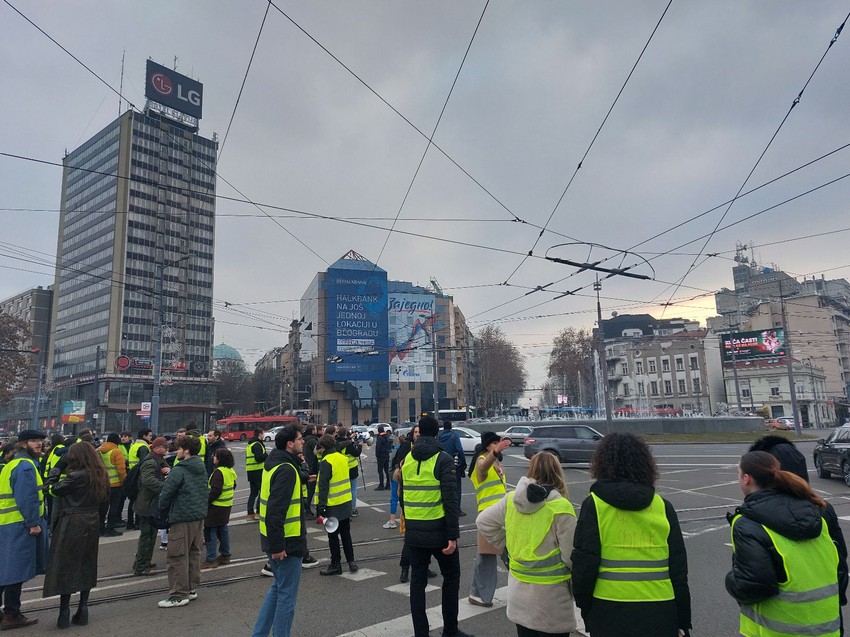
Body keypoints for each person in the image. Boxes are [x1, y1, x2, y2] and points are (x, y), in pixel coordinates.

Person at [571, 432, 691, 637]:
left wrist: (586, 607)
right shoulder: (663, 507)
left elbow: (584, 566)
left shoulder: (594, 505)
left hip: (608, 610)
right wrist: (683, 620)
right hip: (660, 610)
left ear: (602, 464)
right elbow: (678, 570)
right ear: (645, 464)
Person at [726, 450, 841, 636]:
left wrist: (730, 580)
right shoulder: (815, 511)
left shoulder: (747, 523)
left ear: (746, 479)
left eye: (738, 473)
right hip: (827, 629)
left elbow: (754, 586)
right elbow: (838, 563)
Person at [477, 452, 577, 637]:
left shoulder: (512, 500)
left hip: (519, 598)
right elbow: (571, 557)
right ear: (557, 472)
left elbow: (483, 521)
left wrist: (506, 546)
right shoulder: (561, 507)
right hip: (551, 602)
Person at [749, 434, 849, 617]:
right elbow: (840, 558)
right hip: (828, 616)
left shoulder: (754, 515)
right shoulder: (822, 507)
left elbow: (753, 582)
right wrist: (837, 597)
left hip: (778, 620)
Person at [400, 416, 473, 637]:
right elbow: (450, 501)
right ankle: (450, 630)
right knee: (451, 577)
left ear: (419, 433)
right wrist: (452, 536)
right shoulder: (443, 459)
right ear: (437, 433)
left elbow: (403, 498)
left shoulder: (407, 460)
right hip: (439, 532)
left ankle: (421, 633)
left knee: (417, 584)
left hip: (414, 534)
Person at [42, 442, 110, 628]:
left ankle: (64, 611)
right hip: (92, 520)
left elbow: (50, 488)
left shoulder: (76, 476)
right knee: (87, 563)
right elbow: (105, 501)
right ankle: (83, 609)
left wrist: (57, 468)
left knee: (66, 565)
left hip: (72, 521)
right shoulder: (101, 474)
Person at [251, 424, 307, 637]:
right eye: (300, 439)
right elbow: (276, 510)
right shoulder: (287, 469)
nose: (303, 441)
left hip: (272, 538)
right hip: (287, 542)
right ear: (290, 444)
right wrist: (278, 546)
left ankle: (259, 634)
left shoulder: (273, 464)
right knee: (287, 597)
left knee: (278, 589)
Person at [0, 430, 48, 630]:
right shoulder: (26, 466)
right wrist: (33, 523)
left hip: (7, 525)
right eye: (33, 440)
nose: (39, 444)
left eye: (40, 441)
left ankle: (9, 613)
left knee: (6, 570)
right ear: (22, 444)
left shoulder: (12, 464)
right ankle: (11, 614)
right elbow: (27, 499)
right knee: (16, 572)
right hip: (20, 526)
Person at [157, 435, 208, 608]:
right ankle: (191, 588)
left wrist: (161, 510)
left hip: (181, 517)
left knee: (176, 555)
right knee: (194, 553)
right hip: (198, 517)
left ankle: (178, 594)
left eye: (179, 448)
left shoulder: (179, 470)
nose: (176, 451)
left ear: (186, 451)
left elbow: (166, 494)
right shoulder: (200, 467)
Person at [467, 432, 512, 607]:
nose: (498, 446)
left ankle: (477, 594)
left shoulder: (495, 463)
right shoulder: (482, 460)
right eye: (494, 443)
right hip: (489, 516)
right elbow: (482, 467)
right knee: (492, 555)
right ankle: (479, 595)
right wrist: (494, 453)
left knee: (488, 555)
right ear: (487, 446)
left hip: (498, 515)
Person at [316, 434, 357, 575]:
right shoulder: (342, 458)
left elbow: (323, 487)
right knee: (346, 534)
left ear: (322, 447)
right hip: (345, 502)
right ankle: (351, 562)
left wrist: (321, 506)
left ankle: (336, 564)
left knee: (333, 537)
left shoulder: (326, 461)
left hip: (332, 504)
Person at [132, 436, 170, 576]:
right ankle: (141, 566)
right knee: (147, 536)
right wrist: (166, 487)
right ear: (157, 448)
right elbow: (147, 480)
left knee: (150, 535)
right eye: (165, 447)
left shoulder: (157, 460)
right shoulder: (151, 461)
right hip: (147, 504)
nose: (167, 449)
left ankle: (143, 562)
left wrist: (167, 470)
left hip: (149, 503)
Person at [202, 448, 236, 569]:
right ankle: (225, 555)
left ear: (220, 459)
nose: (213, 458)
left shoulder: (218, 472)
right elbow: (234, 485)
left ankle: (211, 559)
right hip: (226, 505)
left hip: (216, 507)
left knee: (210, 531)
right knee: (222, 529)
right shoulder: (230, 471)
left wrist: (206, 502)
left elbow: (215, 491)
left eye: (215, 456)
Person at [98, 432, 127, 536]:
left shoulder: (99, 450)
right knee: (114, 507)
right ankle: (110, 528)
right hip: (115, 485)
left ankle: (100, 528)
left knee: (102, 508)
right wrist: (124, 482)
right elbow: (121, 471)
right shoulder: (116, 452)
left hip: (102, 484)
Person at [126, 428, 152, 530]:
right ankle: (137, 522)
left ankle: (130, 522)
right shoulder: (143, 447)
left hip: (132, 474)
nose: (150, 438)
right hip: (138, 476)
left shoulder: (134, 445)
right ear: (144, 436)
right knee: (139, 500)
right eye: (149, 435)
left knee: (132, 501)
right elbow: (144, 463)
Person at [439, 421, 468, 515]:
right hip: (454, 464)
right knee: (457, 488)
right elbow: (459, 449)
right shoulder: (454, 435)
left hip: (443, 464)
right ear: (451, 427)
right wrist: (463, 462)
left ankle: (445, 508)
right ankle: (457, 509)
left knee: (444, 487)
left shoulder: (439, 437)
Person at [335, 427, 362, 517]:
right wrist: (360, 446)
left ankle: (342, 508)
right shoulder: (348, 445)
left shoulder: (335, 443)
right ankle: (353, 508)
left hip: (341, 468)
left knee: (342, 489)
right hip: (351, 469)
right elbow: (356, 453)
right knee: (353, 489)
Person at [246, 428, 267, 521]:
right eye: (263, 434)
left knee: (253, 493)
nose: (264, 435)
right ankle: (259, 512)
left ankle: (250, 513)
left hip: (251, 471)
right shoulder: (257, 445)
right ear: (260, 434)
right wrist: (266, 455)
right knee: (262, 492)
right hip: (258, 471)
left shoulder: (250, 444)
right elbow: (258, 458)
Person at [301, 424, 319, 517]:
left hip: (306, 466)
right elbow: (317, 452)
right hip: (312, 466)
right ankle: (309, 510)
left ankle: (306, 509)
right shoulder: (312, 441)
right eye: (315, 429)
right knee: (311, 491)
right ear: (312, 431)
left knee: (307, 490)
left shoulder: (304, 439)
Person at [375, 425, 393, 490]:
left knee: (380, 471)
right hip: (387, 455)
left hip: (381, 456)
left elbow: (378, 447)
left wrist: (377, 455)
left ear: (378, 431)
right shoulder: (387, 436)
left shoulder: (380, 437)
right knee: (386, 471)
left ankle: (381, 485)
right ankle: (388, 485)